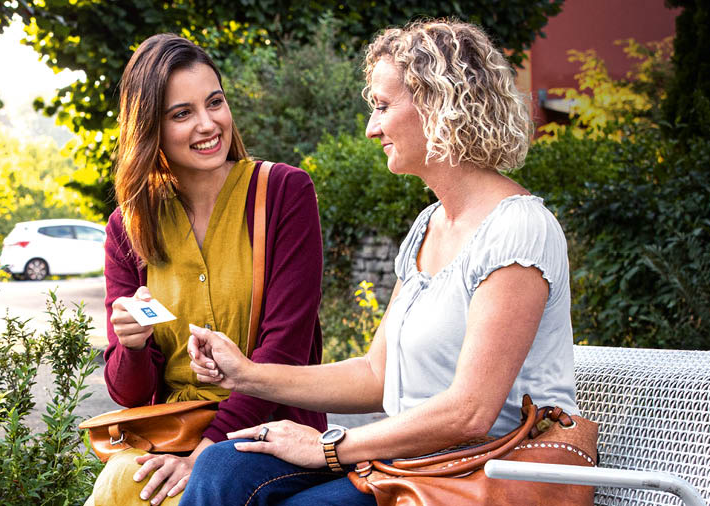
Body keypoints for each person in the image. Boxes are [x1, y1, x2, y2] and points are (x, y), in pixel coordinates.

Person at [181, 19, 580, 505]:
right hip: (410, 464)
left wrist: (327, 446)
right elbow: (376, 375)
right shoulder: (429, 226)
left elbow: (471, 412)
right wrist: (244, 373)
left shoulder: (517, 229)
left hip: (479, 473)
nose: (372, 128)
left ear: (440, 104)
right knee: (222, 464)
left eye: (383, 106)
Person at [87, 33, 327, 506]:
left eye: (214, 102)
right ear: (149, 128)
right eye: (182, 114)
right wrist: (132, 347)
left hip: (271, 432)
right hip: (173, 432)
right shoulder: (129, 227)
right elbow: (128, 393)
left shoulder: (282, 193)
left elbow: (286, 351)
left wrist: (204, 451)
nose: (207, 124)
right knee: (119, 482)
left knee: (183, 486)